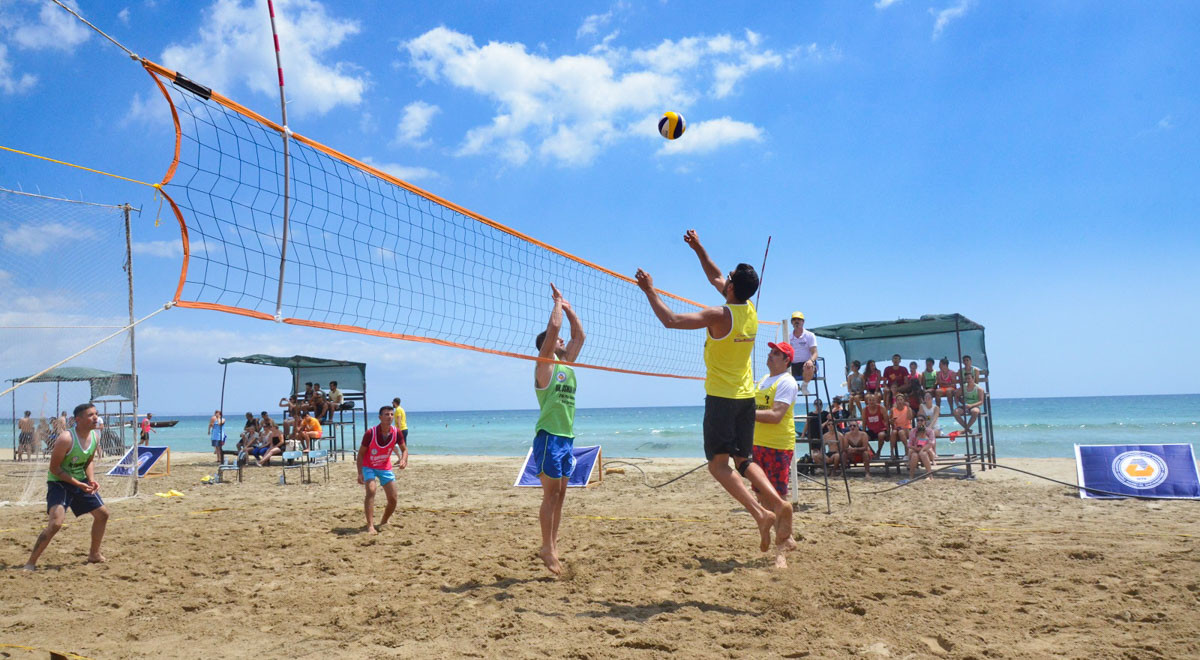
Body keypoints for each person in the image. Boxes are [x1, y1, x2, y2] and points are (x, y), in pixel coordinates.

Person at [636, 229, 793, 560]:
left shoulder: (720, 315)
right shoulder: (748, 311)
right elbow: (716, 274)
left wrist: (649, 291)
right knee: (744, 460)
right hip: (745, 398)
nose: (726, 279)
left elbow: (671, 320)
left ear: (732, 288)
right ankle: (778, 503)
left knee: (718, 466)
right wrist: (698, 248)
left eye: (730, 279)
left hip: (722, 399)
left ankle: (761, 514)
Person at [532, 282, 585, 576]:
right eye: (559, 342)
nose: (564, 341)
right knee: (550, 495)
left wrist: (570, 309)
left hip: (566, 437)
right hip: (549, 437)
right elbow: (554, 330)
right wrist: (557, 303)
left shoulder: (568, 365)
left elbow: (580, 335)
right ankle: (546, 547)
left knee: (561, 495)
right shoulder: (545, 366)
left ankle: (552, 545)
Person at [25, 403, 110, 570]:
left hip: (79, 481)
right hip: (59, 483)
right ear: (78, 419)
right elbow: (54, 469)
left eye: (96, 414)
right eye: (90, 415)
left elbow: (88, 462)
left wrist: (91, 479)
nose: (95, 418)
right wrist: (79, 484)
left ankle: (94, 554)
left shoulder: (95, 437)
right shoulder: (66, 438)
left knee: (103, 515)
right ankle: (31, 562)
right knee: (56, 524)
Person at [751, 341, 799, 567]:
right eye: (771, 352)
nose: (770, 355)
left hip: (778, 445)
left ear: (787, 360)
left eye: (776, 354)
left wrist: (746, 414)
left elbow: (776, 415)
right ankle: (787, 537)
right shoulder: (762, 380)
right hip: (757, 443)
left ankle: (780, 553)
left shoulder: (787, 382)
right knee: (762, 495)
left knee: (779, 499)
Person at [357, 405, 409, 534]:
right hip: (369, 466)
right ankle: (370, 525)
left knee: (393, 499)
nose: (389, 417)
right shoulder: (371, 433)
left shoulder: (397, 432)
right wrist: (359, 473)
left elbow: (404, 449)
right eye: (386, 414)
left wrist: (403, 460)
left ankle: (384, 521)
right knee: (371, 490)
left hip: (385, 467)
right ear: (380, 417)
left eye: (391, 414)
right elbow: (361, 454)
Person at [787, 311, 818, 395]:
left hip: (805, 364)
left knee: (809, 366)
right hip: (792, 365)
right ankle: (795, 387)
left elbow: (815, 353)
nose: (796, 321)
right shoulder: (788, 337)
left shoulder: (809, 335)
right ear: (791, 322)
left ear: (803, 322)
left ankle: (804, 386)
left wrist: (810, 361)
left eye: (799, 319)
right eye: (794, 319)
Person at [906, 414, 937, 482]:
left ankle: (929, 475)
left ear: (925, 421)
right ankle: (911, 475)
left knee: (923, 454)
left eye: (921, 420)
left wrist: (922, 449)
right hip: (916, 450)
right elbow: (909, 444)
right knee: (914, 455)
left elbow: (931, 443)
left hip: (926, 450)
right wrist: (915, 448)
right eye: (918, 420)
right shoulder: (913, 431)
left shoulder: (929, 431)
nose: (919, 422)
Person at [887, 393, 912, 460]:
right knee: (893, 432)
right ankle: (892, 452)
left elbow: (910, 418)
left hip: (906, 429)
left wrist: (909, 408)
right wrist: (891, 420)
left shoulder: (907, 409)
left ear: (903, 400)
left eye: (901, 400)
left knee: (901, 432)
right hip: (897, 428)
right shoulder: (893, 410)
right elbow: (889, 421)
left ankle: (907, 449)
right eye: (898, 400)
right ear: (896, 401)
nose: (900, 401)